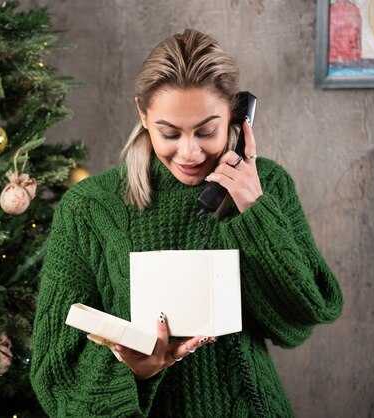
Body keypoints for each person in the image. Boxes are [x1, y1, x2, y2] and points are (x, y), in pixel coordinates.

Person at [30, 29, 343, 417]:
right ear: (142, 114)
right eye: (169, 133)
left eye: (207, 131)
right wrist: (133, 373)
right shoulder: (88, 207)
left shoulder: (267, 186)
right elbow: (54, 367)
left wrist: (252, 208)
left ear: (235, 115)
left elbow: (298, 320)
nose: (190, 152)